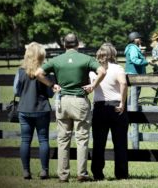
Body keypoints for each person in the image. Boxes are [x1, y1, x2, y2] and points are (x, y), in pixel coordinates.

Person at [35, 33, 106, 183]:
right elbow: (102, 71)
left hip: (63, 101)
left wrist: (52, 84)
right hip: (80, 101)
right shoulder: (86, 59)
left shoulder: (56, 60)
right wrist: (93, 85)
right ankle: (82, 174)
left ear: (64, 45)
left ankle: (63, 175)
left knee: (63, 140)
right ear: (78, 44)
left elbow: (38, 73)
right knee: (82, 139)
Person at [13, 42, 54, 180]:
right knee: (43, 140)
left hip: (24, 108)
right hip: (42, 109)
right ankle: (44, 171)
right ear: (41, 56)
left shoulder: (20, 71)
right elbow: (50, 94)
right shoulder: (45, 72)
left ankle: (26, 171)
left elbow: (16, 91)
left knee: (25, 140)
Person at [90, 43, 129, 181]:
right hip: (116, 107)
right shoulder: (118, 68)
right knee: (120, 142)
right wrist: (123, 103)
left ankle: (97, 173)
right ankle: (121, 174)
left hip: (99, 107)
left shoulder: (93, 70)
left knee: (98, 143)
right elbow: (123, 83)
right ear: (113, 54)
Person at [124, 32, 149, 105]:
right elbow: (134, 59)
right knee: (135, 94)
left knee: (133, 94)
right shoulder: (133, 48)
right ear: (135, 39)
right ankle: (132, 111)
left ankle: (130, 109)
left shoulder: (131, 47)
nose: (140, 39)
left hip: (133, 73)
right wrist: (146, 61)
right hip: (135, 74)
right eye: (139, 38)